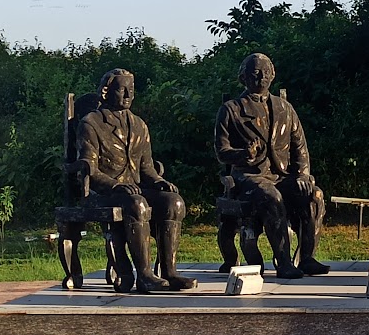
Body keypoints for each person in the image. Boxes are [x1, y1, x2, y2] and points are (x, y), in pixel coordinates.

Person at [76, 68, 196, 292]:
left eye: (131, 90)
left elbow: (147, 168)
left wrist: (159, 181)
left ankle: (169, 272)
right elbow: (89, 169)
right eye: (122, 90)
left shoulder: (139, 125)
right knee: (137, 203)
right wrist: (116, 185)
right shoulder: (91, 123)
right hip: (104, 194)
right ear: (106, 92)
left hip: (135, 190)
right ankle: (144, 274)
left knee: (173, 202)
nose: (128, 95)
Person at [213, 52, 330, 279]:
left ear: (273, 75)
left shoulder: (285, 108)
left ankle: (306, 257)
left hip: (283, 176)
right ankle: (284, 262)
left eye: (266, 73)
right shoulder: (231, 109)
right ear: (243, 77)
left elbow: (300, 148)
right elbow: (222, 152)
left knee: (314, 195)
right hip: (249, 177)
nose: (261, 77)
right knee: (271, 196)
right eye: (255, 73)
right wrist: (243, 154)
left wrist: (303, 174)